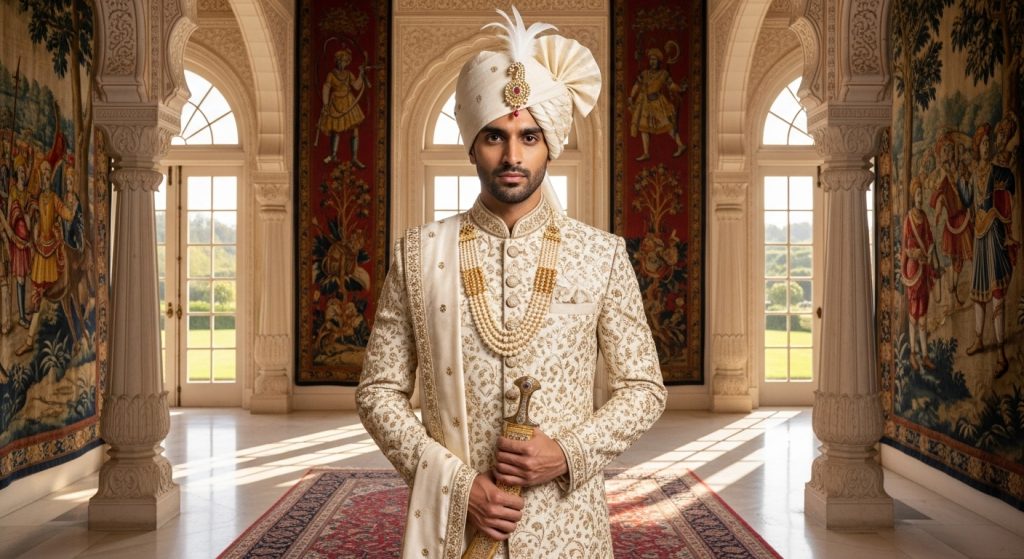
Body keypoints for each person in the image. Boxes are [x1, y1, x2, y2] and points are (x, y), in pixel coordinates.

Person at [356, 7, 667, 558]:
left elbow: (643, 388)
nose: (513, 155)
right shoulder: (418, 255)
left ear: (550, 146)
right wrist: (457, 486)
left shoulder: (601, 255)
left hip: (568, 533)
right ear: (473, 146)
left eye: (529, 136)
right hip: (458, 531)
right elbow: (378, 392)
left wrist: (569, 453)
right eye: (495, 137)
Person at [965, 123, 1016, 376]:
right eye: (983, 144)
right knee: (978, 293)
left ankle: (1000, 353)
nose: (986, 147)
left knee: (996, 291)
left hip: (994, 235)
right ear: (978, 148)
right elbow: (967, 201)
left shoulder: (998, 172)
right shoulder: (975, 175)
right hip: (978, 238)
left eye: (988, 143)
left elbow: (1009, 184)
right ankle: (978, 338)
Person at [929, 132, 972, 305]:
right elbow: (938, 195)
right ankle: (953, 286)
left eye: (949, 149)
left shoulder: (958, 170)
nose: (948, 153)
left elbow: (967, 191)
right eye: (944, 150)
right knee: (955, 257)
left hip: (963, 219)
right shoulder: (942, 175)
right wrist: (939, 209)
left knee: (966, 255)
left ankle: (971, 287)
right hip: (952, 222)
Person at [902, 178, 937, 370]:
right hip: (913, 269)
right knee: (913, 313)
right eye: (917, 194)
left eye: (922, 194)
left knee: (923, 312)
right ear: (913, 196)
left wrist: (930, 250)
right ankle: (912, 354)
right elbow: (906, 246)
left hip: (923, 268)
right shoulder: (909, 218)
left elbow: (930, 239)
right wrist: (914, 253)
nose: (920, 197)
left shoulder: (924, 216)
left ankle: (925, 355)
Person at [628, 47, 686, 160]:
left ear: (659, 61)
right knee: (643, 128)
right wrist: (631, 96)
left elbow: (671, 85)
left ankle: (680, 145)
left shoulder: (663, 74)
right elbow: (636, 85)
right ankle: (646, 153)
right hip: (645, 104)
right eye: (651, 59)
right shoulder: (644, 73)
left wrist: (680, 89)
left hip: (658, 104)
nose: (652, 62)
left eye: (654, 59)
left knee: (668, 125)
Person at [319, 48, 367, 167]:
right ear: (337, 61)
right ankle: (334, 154)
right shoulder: (331, 74)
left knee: (355, 127)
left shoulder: (349, 74)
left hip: (349, 101)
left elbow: (356, 86)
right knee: (336, 128)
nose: (342, 63)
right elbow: (326, 87)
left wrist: (361, 74)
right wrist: (325, 104)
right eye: (340, 61)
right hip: (336, 102)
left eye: (344, 61)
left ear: (347, 62)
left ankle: (354, 158)